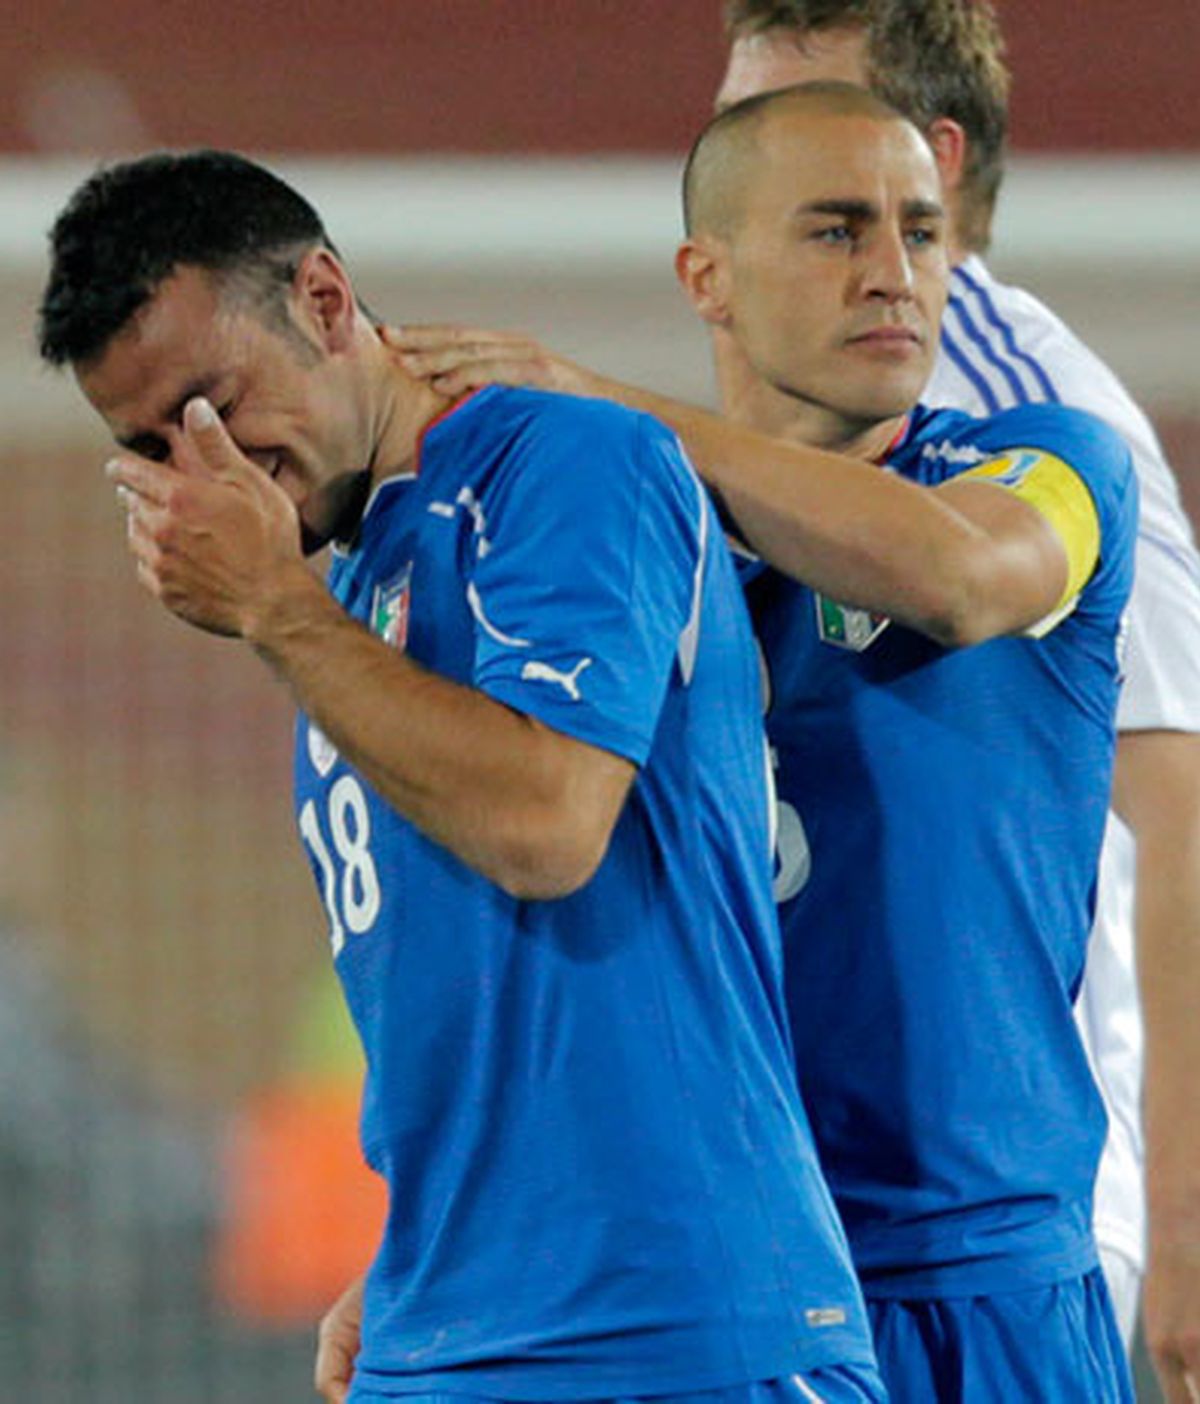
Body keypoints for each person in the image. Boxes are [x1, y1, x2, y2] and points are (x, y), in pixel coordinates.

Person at [37, 150, 886, 1404]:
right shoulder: (348, 599)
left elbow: (548, 825)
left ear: (325, 300)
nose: (205, 470)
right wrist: (425, 1245)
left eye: (213, 409)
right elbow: (473, 993)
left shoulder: (566, 468)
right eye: (151, 447)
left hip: (673, 1328)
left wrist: (274, 608)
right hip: (449, 1326)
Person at [391, 83, 1138, 1401]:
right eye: (838, 232)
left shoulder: (1051, 465)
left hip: (983, 1293)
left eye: (921, 232)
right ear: (709, 276)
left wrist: (598, 404)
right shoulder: (633, 573)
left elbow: (957, 579)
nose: (895, 275)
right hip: (724, 1305)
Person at [711, 5, 1200, 1399]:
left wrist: (1186, 1218)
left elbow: (1182, 812)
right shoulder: (785, 417)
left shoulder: (1035, 411)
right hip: (807, 1225)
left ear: (920, 157)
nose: (738, 147)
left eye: (781, 111)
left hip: (1025, 1222)